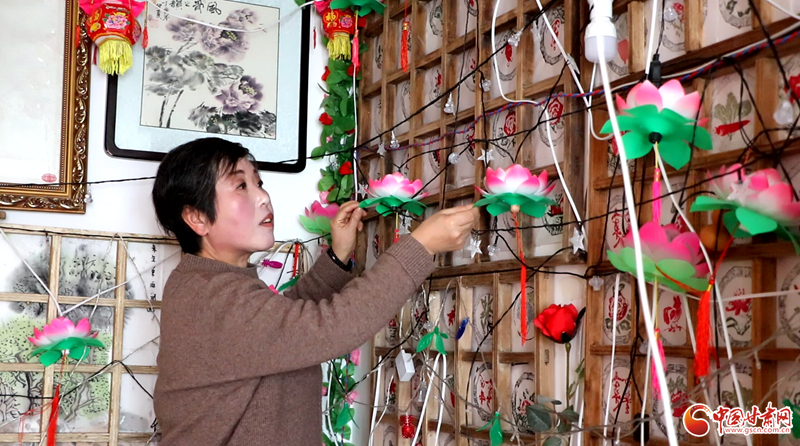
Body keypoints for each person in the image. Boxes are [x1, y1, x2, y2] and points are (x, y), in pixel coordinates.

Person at [150, 137, 478, 446]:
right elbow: (328, 327)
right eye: (241, 186)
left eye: (258, 182)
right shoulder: (213, 296)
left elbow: (281, 331)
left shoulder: (205, 284)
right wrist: (421, 246)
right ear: (197, 217)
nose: (263, 197)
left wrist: (336, 257)